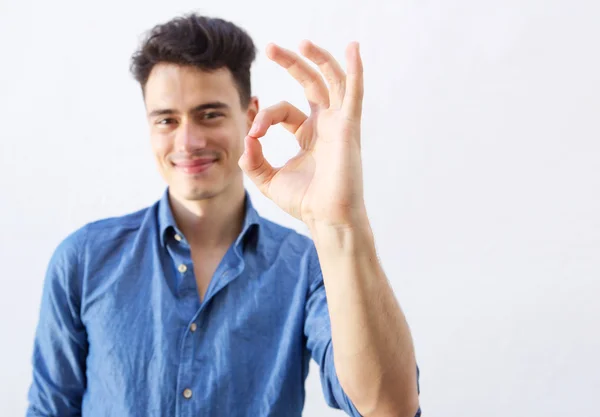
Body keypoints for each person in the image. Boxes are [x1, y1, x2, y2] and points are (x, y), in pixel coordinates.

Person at [26, 13, 421, 417]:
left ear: (250, 115)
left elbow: (388, 407)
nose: (188, 141)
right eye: (167, 120)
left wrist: (341, 223)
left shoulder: (306, 268)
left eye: (209, 114)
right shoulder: (84, 260)